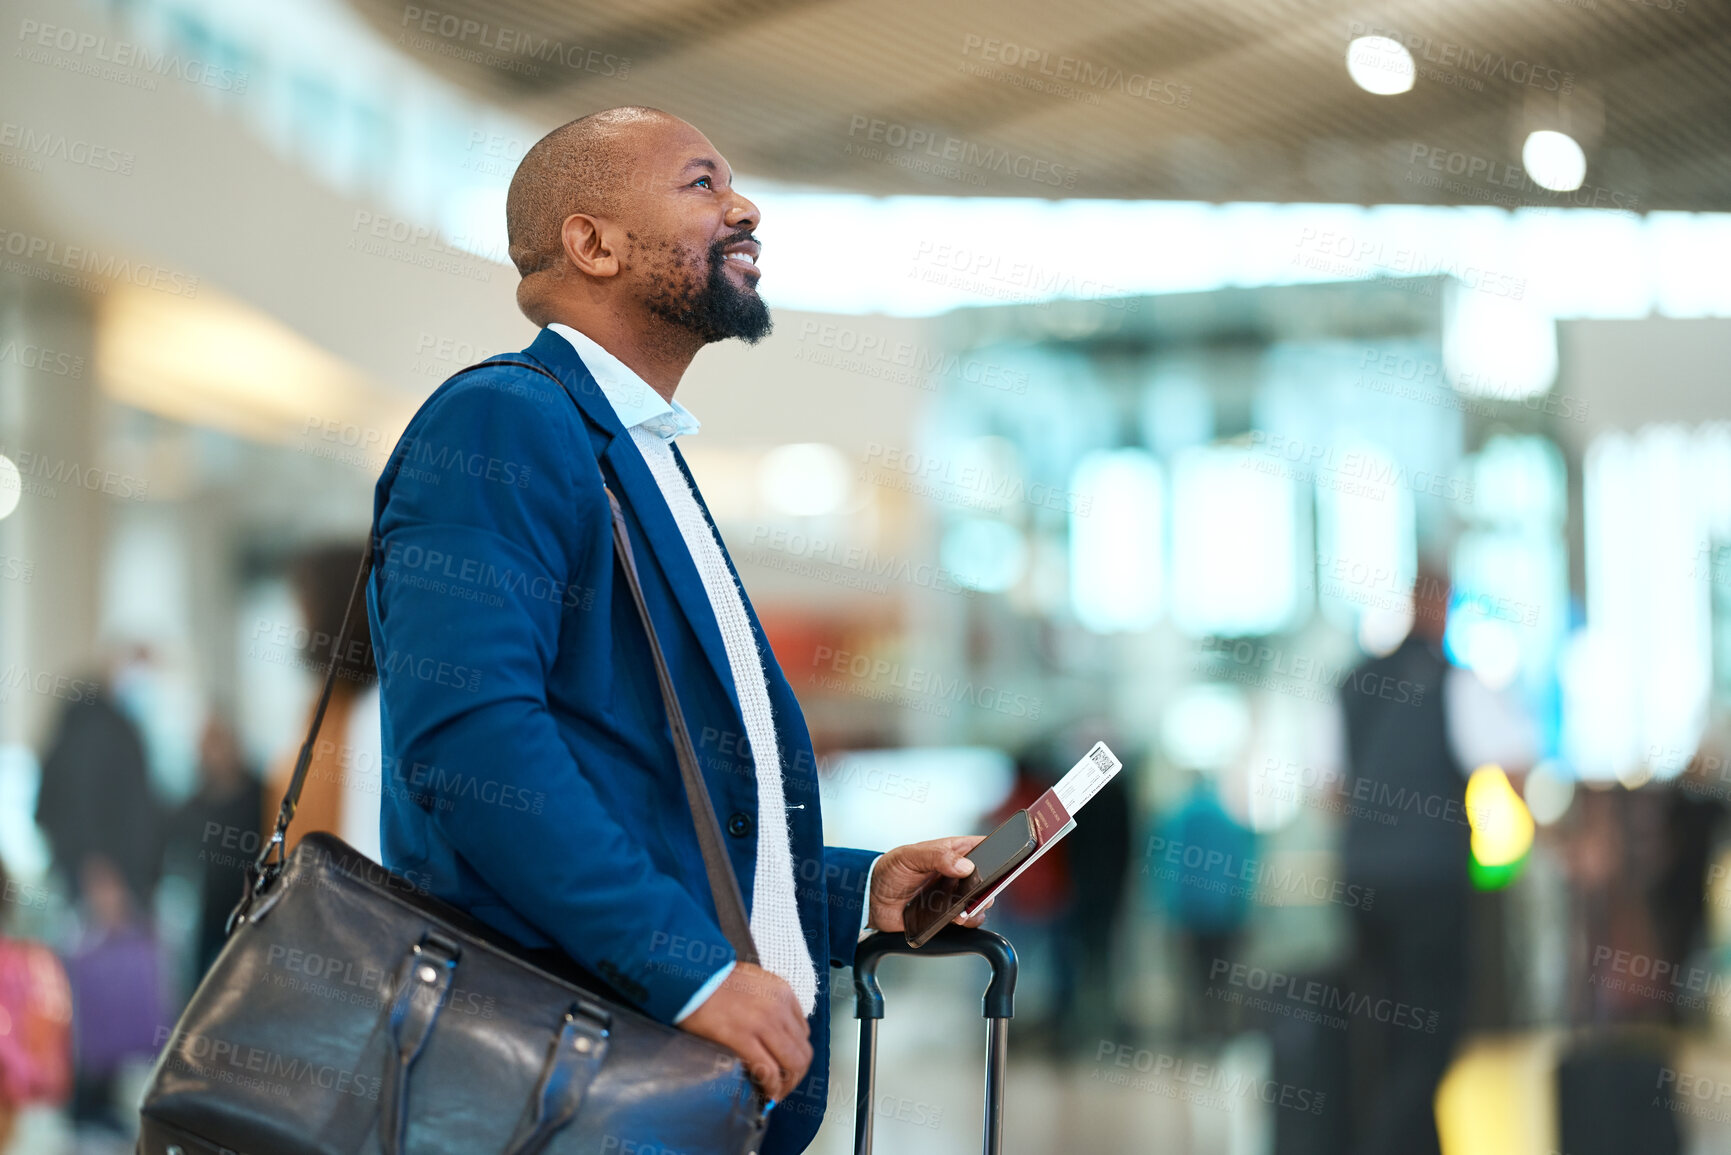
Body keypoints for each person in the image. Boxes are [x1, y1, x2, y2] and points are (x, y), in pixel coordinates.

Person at [367, 106, 989, 1155]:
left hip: (665, 1095)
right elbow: (471, 746)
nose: (744, 207)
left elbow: (661, 805)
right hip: (566, 1095)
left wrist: (852, 892)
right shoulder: (503, 422)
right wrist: (688, 970)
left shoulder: (637, 455)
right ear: (591, 242)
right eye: (702, 185)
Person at [1336, 562, 1533, 1155]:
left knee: (1383, 1025)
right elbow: (1514, 760)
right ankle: (1394, 1142)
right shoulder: (1455, 681)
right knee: (1434, 1023)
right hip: (1431, 880)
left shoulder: (1353, 682)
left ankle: (1413, 1140)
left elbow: (1328, 789)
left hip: (1364, 882)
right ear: (1442, 602)